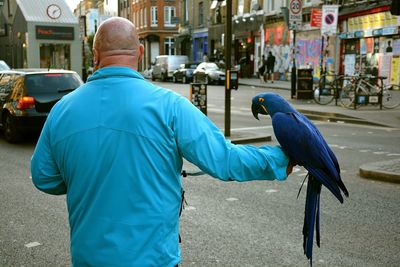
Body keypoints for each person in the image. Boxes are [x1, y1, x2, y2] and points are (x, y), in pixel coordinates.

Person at [31, 17, 293, 267]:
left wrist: (87, 179)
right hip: (153, 258)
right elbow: (225, 160)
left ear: (95, 55)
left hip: (89, 258)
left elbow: (43, 177)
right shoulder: (170, 106)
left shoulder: (62, 111)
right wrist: (280, 158)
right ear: (141, 52)